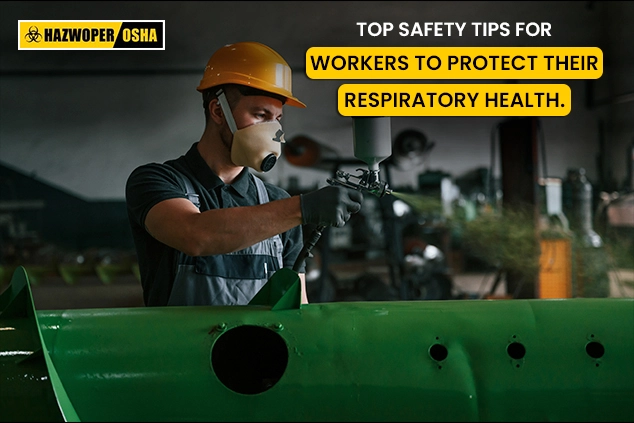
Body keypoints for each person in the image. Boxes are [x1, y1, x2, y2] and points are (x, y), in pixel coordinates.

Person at [125, 41, 363, 307]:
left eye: (277, 119)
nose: (273, 131)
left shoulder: (277, 200)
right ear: (218, 111)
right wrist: (302, 207)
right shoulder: (156, 181)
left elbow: (297, 305)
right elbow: (195, 235)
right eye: (260, 115)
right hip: (181, 349)